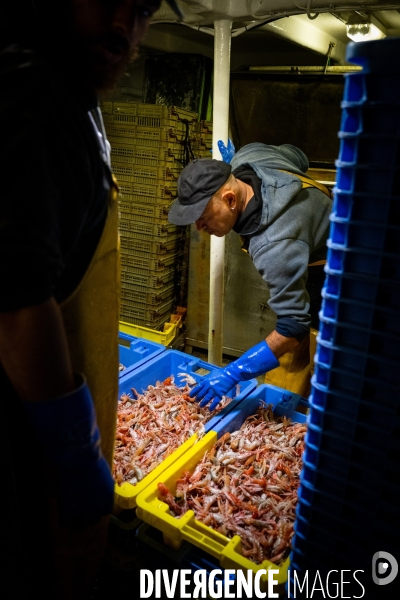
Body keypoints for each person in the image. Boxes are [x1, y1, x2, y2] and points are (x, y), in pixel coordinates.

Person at [0, 1, 182, 599]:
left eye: (143, 8)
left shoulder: (73, 98)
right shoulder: (30, 91)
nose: (125, 24)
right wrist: (75, 453)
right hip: (27, 448)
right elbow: (20, 301)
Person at [168, 142, 333, 407]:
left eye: (203, 217)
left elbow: (293, 326)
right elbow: (297, 155)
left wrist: (233, 372)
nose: (200, 228)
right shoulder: (248, 156)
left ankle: (298, 402)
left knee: (312, 345)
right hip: (303, 241)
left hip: (334, 269)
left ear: (231, 199)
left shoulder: (274, 244)